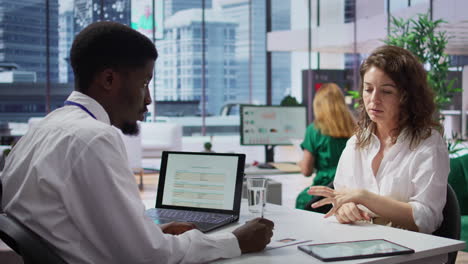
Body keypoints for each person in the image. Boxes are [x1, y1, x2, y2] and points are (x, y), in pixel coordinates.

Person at [0, 21, 273, 263]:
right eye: (145, 83)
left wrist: (146, 232)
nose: (149, 99)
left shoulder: (43, 129)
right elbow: (148, 257)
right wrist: (236, 241)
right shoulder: (93, 138)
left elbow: (67, 225)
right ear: (109, 79)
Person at [308, 45, 449, 234]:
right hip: (359, 241)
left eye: (387, 91)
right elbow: (341, 199)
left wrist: (363, 197)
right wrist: (344, 208)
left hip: (407, 249)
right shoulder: (356, 143)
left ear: (407, 97)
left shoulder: (428, 143)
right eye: (368, 89)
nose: (374, 99)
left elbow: (427, 218)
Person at [295, 83, 356, 210]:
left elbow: (306, 171)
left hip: (324, 190)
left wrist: (300, 163)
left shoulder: (314, 129)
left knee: (301, 199)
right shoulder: (355, 127)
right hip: (349, 191)